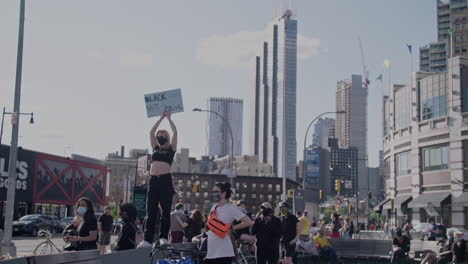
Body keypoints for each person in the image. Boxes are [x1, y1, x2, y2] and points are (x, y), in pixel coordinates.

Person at [139, 112, 178, 248]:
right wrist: (160, 118)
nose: (160, 137)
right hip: (153, 181)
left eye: (162, 135)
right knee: (151, 211)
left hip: (165, 181)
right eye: (158, 136)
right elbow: (151, 132)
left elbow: (175, 132)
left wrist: (168, 118)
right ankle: (147, 240)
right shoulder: (155, 148)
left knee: (166, 211)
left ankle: (163, 237)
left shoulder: (171, 149)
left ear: (166, 137)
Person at [205, 182, 253, 264]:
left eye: (216, 191)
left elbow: (249, 222)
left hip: (224, 252)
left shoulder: (231, 208)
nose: (213, 194)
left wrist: (232, 228)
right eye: (213, 192)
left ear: (224, 193)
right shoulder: (214, 206)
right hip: (211, 252)